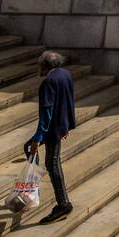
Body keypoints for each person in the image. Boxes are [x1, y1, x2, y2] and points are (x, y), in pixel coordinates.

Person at [24, 50, 76, 223]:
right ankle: (32, 190)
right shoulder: (65, 74)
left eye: (40, 64)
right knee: (31, 149)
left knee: (52, 163)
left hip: (52, 128)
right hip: (60, 125)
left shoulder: (49, 82)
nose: (38, 67)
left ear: (46, 66)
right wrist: (67, 125)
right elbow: (69, 100)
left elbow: (46, 112)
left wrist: (38, 137)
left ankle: (63, 204)